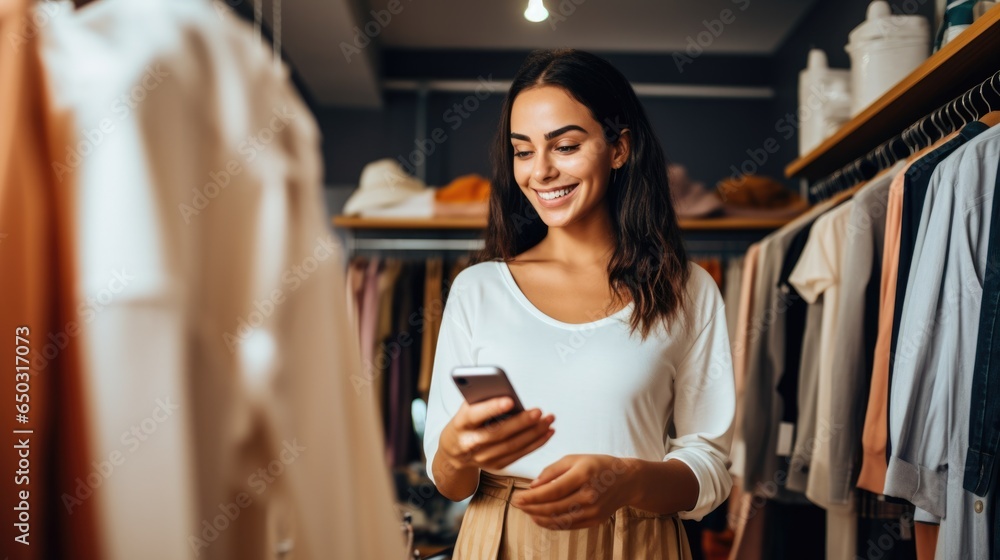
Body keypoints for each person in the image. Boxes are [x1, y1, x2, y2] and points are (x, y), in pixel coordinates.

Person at [422, 48, 735, 559]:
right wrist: (455, 453)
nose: (540, 171)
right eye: (522, 151)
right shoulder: (477, 289)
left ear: (619, 148)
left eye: (564, 146)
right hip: (501, 537)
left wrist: (629, 481)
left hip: (637, 539)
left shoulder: (687, 289)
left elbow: (712, 468)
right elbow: (451, 483)